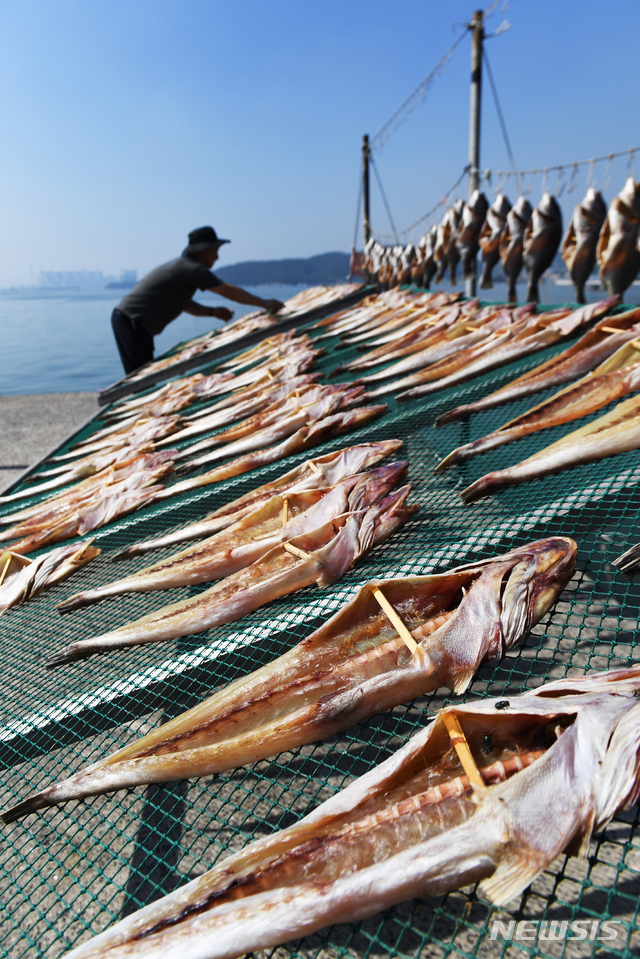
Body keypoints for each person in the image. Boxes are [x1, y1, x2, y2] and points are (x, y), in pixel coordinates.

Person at [111, 225, 285, 374]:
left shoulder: (183, 269)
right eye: (215, 251)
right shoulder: (191, 269)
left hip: (131, 322)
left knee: (142, 371)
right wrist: (265, 303)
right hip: (131, 322)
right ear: (203, 251)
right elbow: (229, 292)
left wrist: (212, 312)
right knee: (140, 376)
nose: (217, 257)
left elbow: (185, 305)